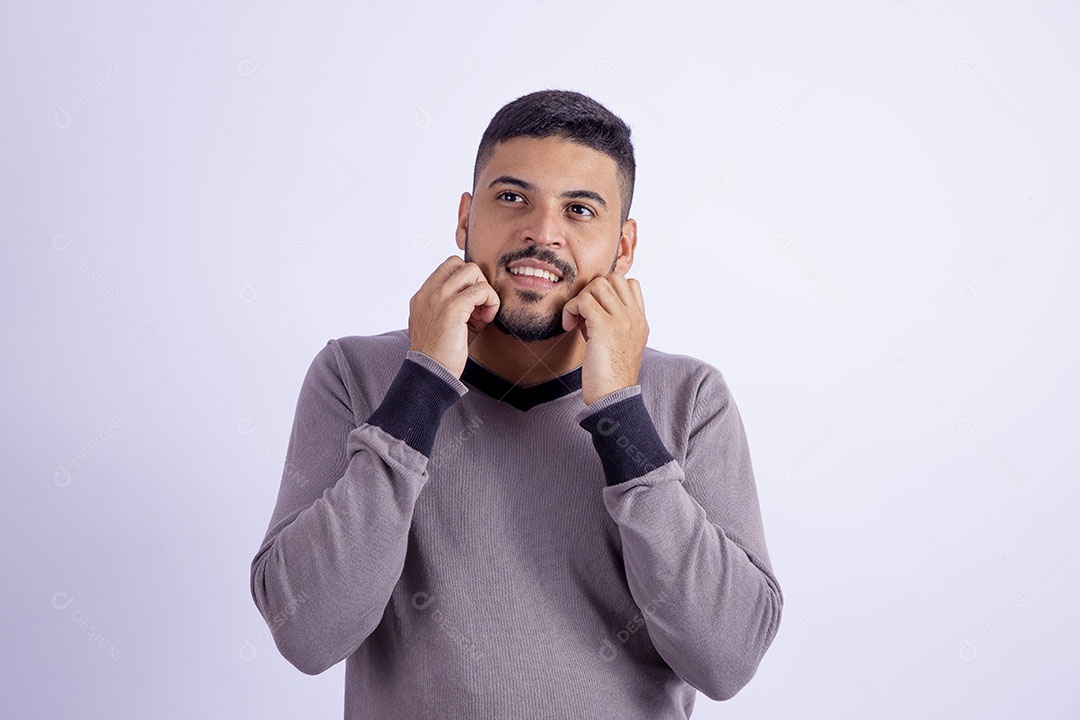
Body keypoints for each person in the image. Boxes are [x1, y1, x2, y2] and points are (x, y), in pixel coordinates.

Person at [249, 89, 782, 719]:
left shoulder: (690, 398)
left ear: (625, 246)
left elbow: (727, 659)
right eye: (512, 199)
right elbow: (307, 632)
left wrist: (621, 410)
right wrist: (420, 387)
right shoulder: (356, 375)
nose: (542, 233)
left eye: (580, 210)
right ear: (465, 219)